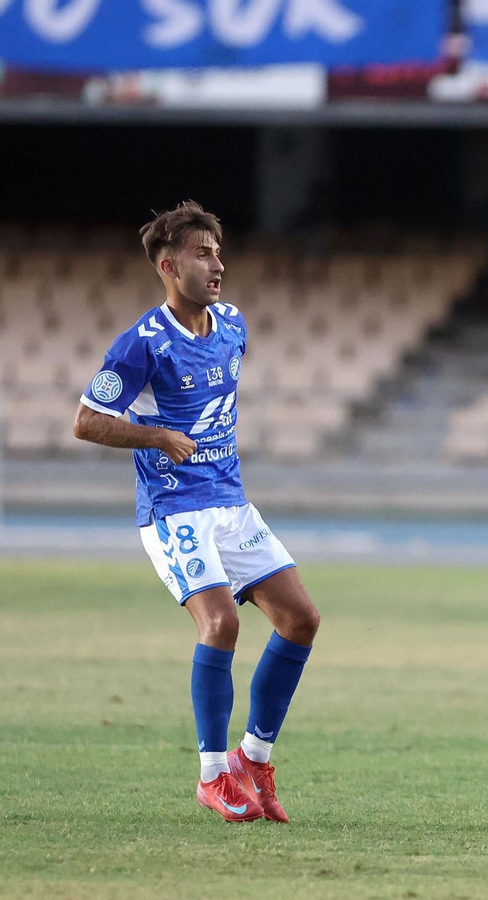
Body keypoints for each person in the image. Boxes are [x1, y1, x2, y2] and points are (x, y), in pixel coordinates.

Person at [73, 201, 320, 823]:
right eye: (202, 254)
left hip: (231, 504)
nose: (218, 264)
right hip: (174, 511)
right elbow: (87, 422)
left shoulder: (233, 324)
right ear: (168, 266)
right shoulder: (142, 344)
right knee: (221, 623)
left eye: (218, 252)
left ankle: (252, 759)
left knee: (301, 619)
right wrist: (157, 436)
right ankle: (212, 775)